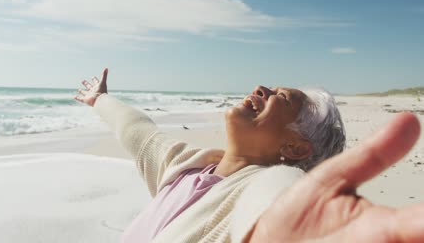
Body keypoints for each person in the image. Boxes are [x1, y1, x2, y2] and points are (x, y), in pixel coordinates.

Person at [75, 69, 423, 242]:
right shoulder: (185, 164)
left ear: (295, 148)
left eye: (282, 99)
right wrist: (100, 99)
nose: (262, 89)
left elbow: (276, 192)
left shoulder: (265, 185)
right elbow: (138, 130)